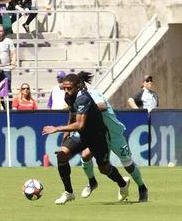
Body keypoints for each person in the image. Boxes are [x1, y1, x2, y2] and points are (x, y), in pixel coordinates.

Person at [42, 71, 129, 205]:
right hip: (83, 136)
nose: (66, 91)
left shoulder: (84, 98)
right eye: (64, 88)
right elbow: (72, 112)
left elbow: (80, 124)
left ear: (78, 87)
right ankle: (69, 192)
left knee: (104, 168)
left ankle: (122, 183)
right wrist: (67, 132)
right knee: (62, 155)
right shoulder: (69, 96)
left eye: (69, 88)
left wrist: (57, 129)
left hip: (98, 137)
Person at [80, 89, 148, 202]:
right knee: (85, 155)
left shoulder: (93, 94)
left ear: (82, 85)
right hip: (100, 135)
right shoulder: (78, 99)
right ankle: (92, 182)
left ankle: (142, 188)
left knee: (128, 165)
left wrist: (87, 110)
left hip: (115, 135)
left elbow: (102, 107)